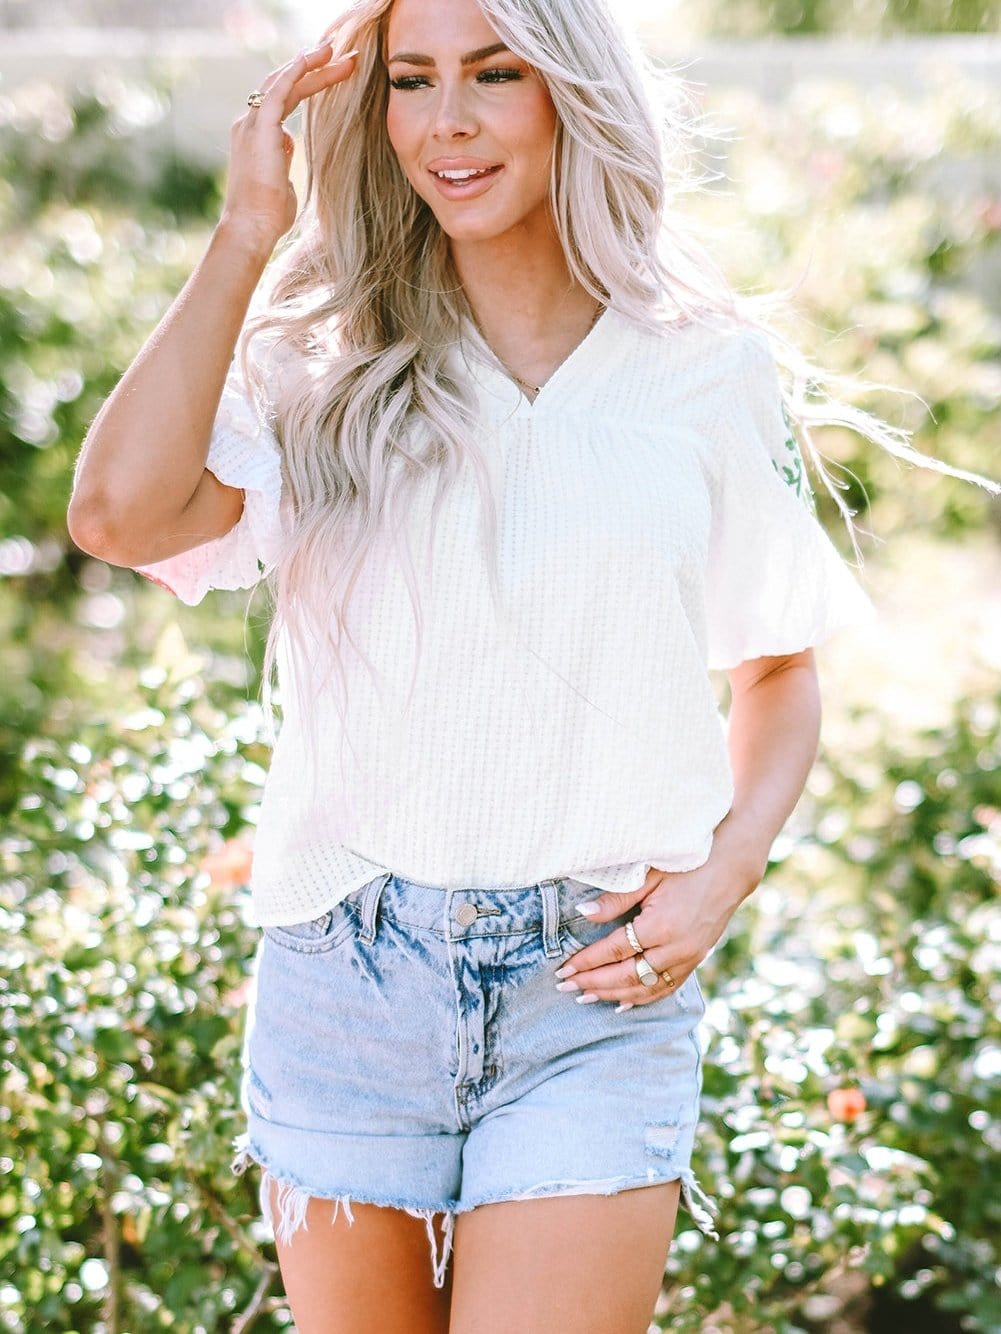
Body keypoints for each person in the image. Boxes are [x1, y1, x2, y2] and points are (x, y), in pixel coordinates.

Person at [65, 0, 997, 1329]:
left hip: (589, 992)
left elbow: (778, 672)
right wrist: (244, 234)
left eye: (494, 75)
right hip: (348, 974)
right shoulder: (319, 364)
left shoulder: (699, 365)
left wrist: (719, 877)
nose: (446, 121)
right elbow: (117, 515)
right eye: (411, 80)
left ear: (570, 91)